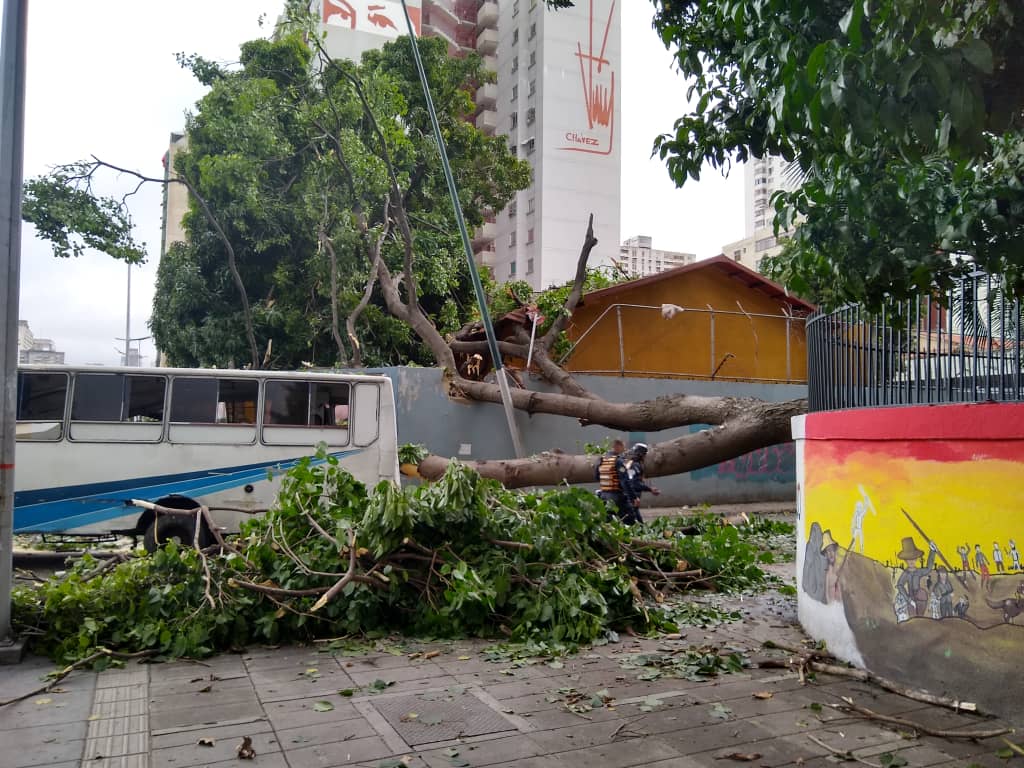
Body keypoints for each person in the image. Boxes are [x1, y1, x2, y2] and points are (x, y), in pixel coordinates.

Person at [893, 537, 936, 622]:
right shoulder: (906, 573)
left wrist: (932, 551)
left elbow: (928, 569)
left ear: (916, 559)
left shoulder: (918, 572)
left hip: (920, 599)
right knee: (912, 620)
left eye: (913, 559)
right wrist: (908, 599)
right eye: (909, 559)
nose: (911, 561)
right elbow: (900, 585)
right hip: (910, 598)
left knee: (920, 617)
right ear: (905, 560)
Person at [622, 442, 660, 525]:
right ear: (641, 455)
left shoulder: (633, 464)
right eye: (644, 455)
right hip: (631, 499)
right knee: (635, 521)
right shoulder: (634, 466)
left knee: (635, 521)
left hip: (631, 500)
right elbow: (634, 484)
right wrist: (650, 489)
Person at [595, 440, 630, 523]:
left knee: (608, 520)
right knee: (628, 518)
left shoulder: (601, 460)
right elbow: (624, 480)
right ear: (618, 447)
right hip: (616, 496)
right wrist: (631, 495)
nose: (624, 450)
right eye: (623, 447)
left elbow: (597, 477)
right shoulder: (618, 461)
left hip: (603, 495)